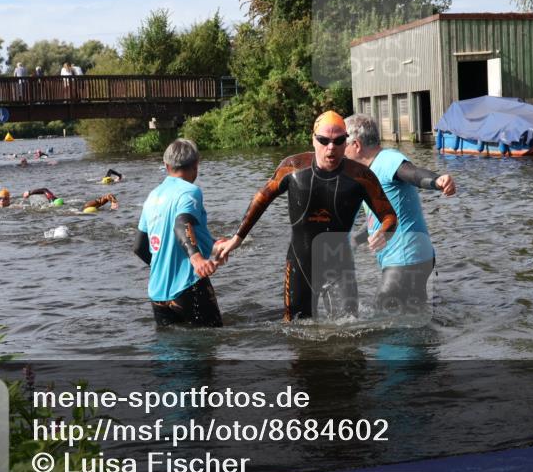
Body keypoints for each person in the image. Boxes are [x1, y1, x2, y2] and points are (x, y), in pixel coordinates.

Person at [213, 111, 397, 321]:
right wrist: (237, 238)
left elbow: (389, 216)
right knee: (296, 330)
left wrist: (384, 232)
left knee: (349, 332)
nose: (331, 147)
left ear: (347, 142)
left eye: (338, 141)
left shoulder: (361, 176)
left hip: (339, 264)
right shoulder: (292, 168)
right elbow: (261, 199)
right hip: (300, 262)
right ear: (313, 139)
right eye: (324, 140)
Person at [344, 114, 456, 316]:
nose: (339, 151)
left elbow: (412, 173)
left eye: (342, 145)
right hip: (415, 258)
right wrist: (354, 240)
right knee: (414, 316)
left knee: (378, 321)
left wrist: (437, 181)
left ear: (356, 145)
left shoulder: (387, 160)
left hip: (405, 261)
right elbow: (379, 218)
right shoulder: (368, 172)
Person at [134, 139, 222, 327]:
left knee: (170, 352)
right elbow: (182, 223)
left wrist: (212, 244)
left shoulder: (153, 196)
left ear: (166, 166)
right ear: (196, 164)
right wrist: (196, 258)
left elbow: (139, 247)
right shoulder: (190, 192)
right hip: (188, 286)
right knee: (211, 346)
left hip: (158, 293)